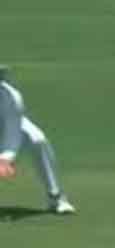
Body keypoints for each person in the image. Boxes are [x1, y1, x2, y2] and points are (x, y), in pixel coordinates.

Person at [0, 65, 75, 214]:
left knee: (37, 140)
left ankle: (56, 197)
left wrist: (5, 159)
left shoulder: (11, 97)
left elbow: (12, 131)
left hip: (7, 128)